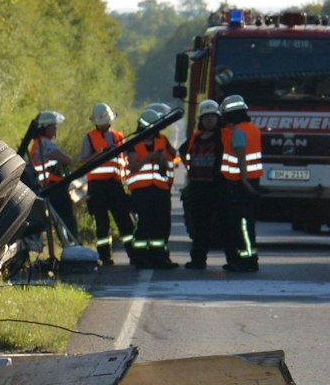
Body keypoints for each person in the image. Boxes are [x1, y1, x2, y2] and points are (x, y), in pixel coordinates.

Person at [124, 106, 181, 269]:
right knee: (144, 224)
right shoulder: (134, 144)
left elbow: (175, 157)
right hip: (141, 192)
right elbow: (133, 166)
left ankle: (160, 257)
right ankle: (141, 258)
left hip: (161, 190)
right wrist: (150, 157)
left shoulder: (162, 141)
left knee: (162, 224)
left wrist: (165, 159)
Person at [80, 103, 133, 265]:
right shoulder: (89, 138)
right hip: (97, 188)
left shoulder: (118, 136)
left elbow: (125, 160)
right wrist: (97, 154)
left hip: (115, 185)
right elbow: (83, 162)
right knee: (102, 224)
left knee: (125, 221)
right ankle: (105, 256)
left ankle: (134, 253)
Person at [218, 93, 265, 272]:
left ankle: (247, 259)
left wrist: (244, 179)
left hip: (239, 184)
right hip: (252, 182)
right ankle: (248, 257)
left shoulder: (237, 132)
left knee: (242, 224)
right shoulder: (253, 129)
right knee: (248, 223)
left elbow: (241, 154)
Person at [180, 99, 224, 270]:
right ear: (201, 119)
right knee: (200, 226)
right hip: (198, 187)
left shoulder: (222, 136)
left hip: (216, 186)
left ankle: (233, 258)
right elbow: (182, 152)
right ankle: (198, 259)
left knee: (222, 223)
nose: (210, 120)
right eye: (206, 117)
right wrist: (189, 169)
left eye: (213, 116)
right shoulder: (195, 138)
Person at [26, 110, 73, 249]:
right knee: (66, 217)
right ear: (44, 128)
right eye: (53, 126)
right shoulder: (45, 144)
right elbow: (67, 159)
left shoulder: (37, 143)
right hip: (54, 188)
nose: (55, 129)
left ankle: (68, 245)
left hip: (46, 187)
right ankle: (71, 246)